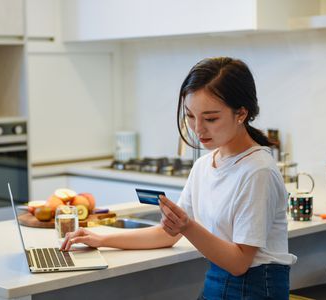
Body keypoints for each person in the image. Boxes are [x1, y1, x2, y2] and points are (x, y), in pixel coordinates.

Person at [61, 57, 297, 299]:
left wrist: (187, 226)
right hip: (217, 285)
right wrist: (101, 238)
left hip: (256, 290)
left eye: (211, 118)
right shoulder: (205, 165)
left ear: (241, 113)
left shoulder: (258, 171)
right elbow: (167, 234)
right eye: (190, 116)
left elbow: (239, 263)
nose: (198, 129)